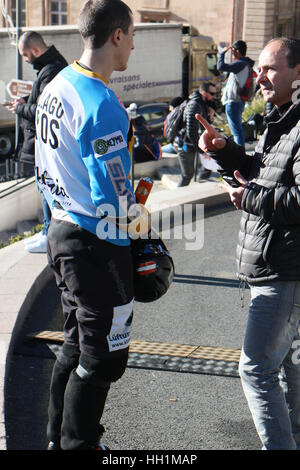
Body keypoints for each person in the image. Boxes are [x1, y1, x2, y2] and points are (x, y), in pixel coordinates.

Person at [34, 0, 150, 450]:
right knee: (104, 358)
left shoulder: (59, 81)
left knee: (75, 343)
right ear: (116, 35)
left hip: (60, 231)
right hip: (94, 243)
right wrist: (143, 240)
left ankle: (56, 439)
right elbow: (113, 199)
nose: (134, 46)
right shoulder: (101, 103)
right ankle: (79, 444)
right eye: (133, 35)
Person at [197, 37, 300, 450]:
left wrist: (250, 198)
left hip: (285, 269)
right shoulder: (284, 119)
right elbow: (266, 171)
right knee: (288, 367)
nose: (259, 75)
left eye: (270, 68)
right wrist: (225, 151)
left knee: (256, 369)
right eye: (259, 68)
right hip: (278, 263)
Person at [6, 31, 68, 253]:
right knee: (45, 189)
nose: (24, 59)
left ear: (35, 51)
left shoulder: (50, 71)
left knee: (47, 190)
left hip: (45, 143)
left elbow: (46, 110)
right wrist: (26, 100)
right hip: (44, 142)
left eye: (24, 55)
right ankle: (46, 234)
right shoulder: (50, 67)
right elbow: (41, 100)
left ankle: (49, 237)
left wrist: (20, 108)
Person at [175, 82, 216, 187]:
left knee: (198, 171)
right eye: (212, 93)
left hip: (191, 143)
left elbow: (203, 127)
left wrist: (210, 117)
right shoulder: (194, 105)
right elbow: (191, 131)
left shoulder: (202, 104)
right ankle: (177, 199)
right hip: (184, 144)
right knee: (187, 175)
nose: (214, 97)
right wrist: (201, 151)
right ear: (204, 93)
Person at [217, 40, 254, 147]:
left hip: (234, 101)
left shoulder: (240, 64)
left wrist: (221, 53)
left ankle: (240, 156)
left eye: (233, 51)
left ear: (237, 51)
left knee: (236, 132)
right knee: (237, 130)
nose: (232, 54)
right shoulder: (244, 64)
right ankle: (240, 154)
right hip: (237, 101)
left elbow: (221, 67)